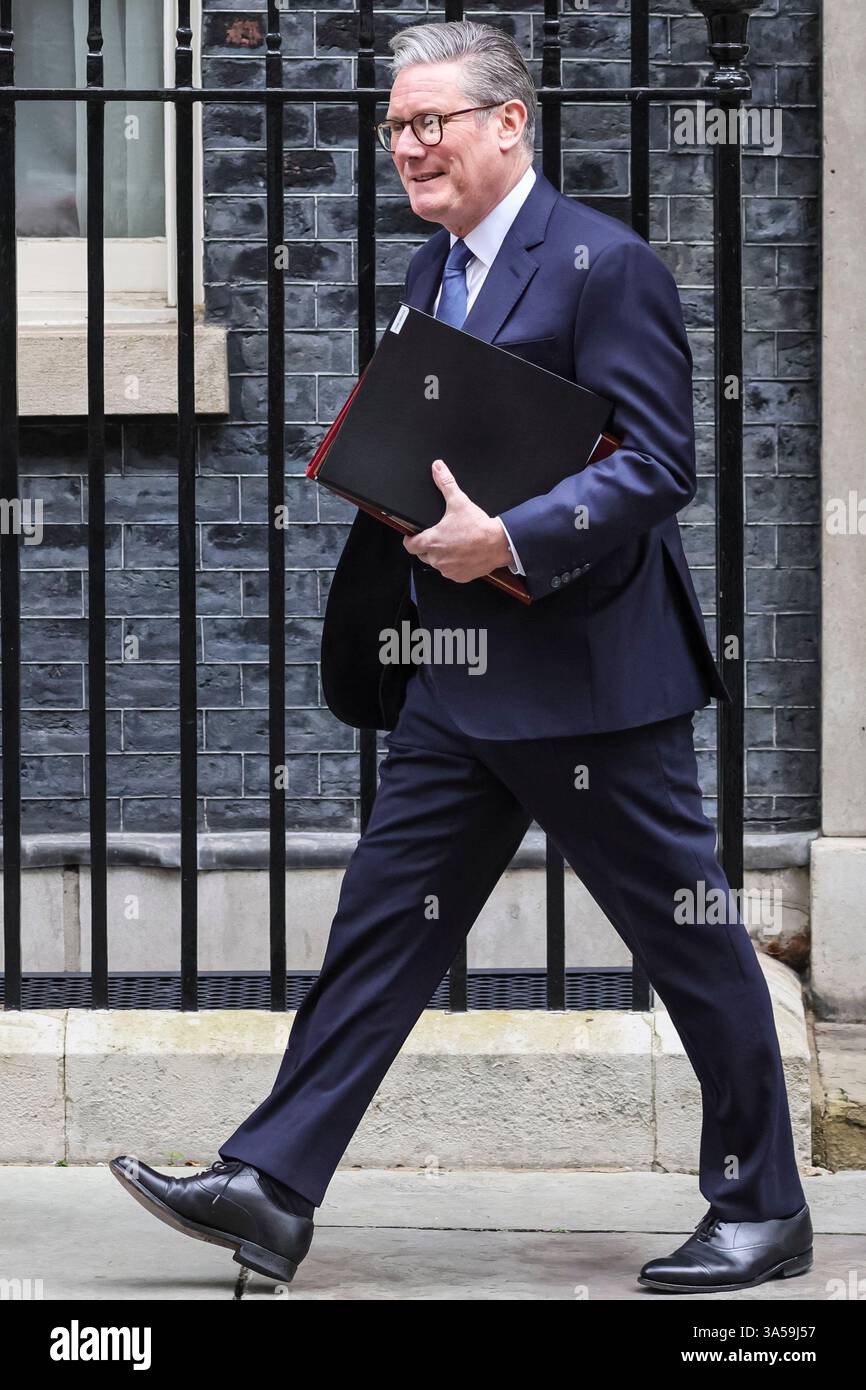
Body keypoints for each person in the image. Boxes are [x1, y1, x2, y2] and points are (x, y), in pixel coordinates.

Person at [112, 19, 812, 1295]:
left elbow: (660, 463)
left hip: (594, 683)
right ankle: (270, 1187)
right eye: (393, 127)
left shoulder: (604, 264)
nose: (405, 147)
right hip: (457, 676)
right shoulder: (434, 275)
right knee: (380, 930)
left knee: (688, 943)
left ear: (508, 123)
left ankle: (762, 1206)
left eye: (429, 121)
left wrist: (513, 536)